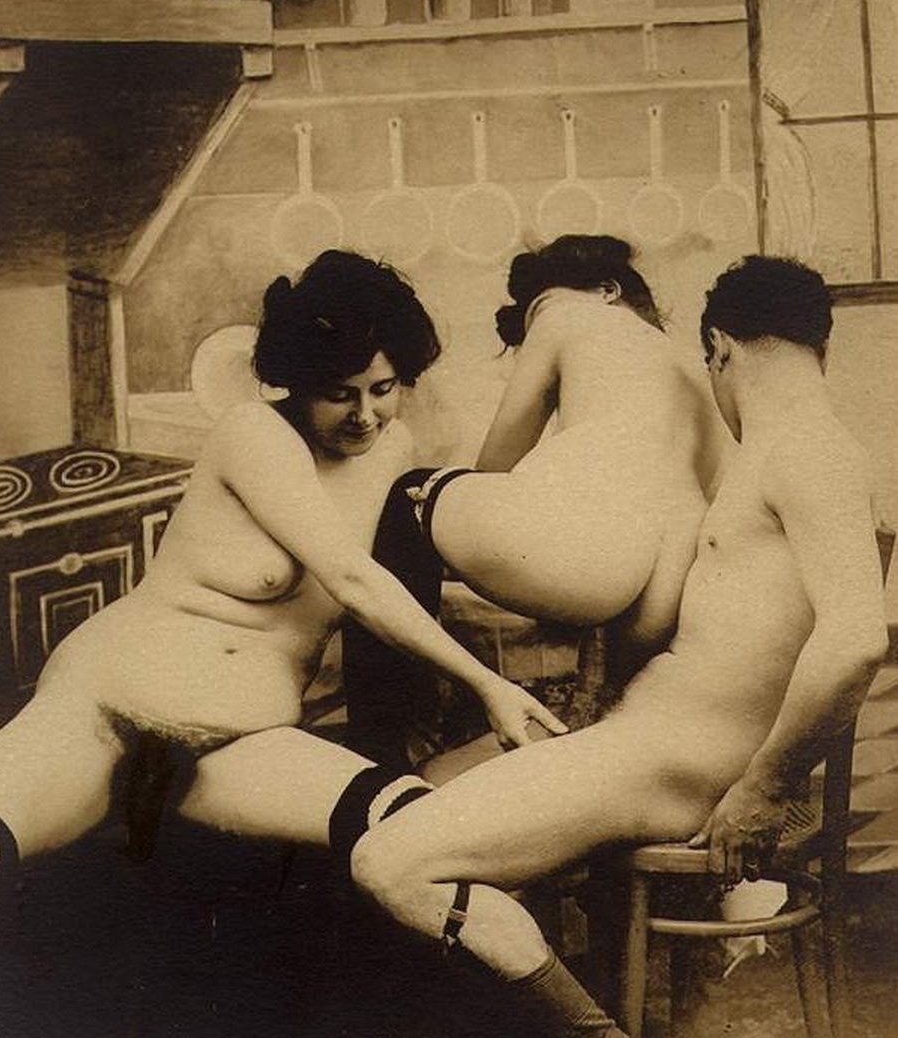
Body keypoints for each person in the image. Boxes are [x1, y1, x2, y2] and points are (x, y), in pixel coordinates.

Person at [0, 250, 569, 1033]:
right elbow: (350, 579)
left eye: (382, 389)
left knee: (423, 842)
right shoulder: (253, 432)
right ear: (294, 382)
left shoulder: (392, 448)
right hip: (103, 708)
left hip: (242, 746)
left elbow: (390, 576)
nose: (364, 414)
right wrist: (490, 684)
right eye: (338, 394)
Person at [344, 256, 889, 1033]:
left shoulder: (809, 451)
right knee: (408, 792)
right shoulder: (765, 459)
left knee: (388, 862)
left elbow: (855, 639)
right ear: (819, 346)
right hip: (647, 745)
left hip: (673, 767)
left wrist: (762, 790)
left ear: (718, 348)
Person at [342, 234, 725, 768]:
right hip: (661, 589)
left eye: (539, 307)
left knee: (410, 500)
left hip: (578, 556)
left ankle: (379, 751)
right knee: (597, 719)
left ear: (607, 290)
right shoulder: (700, 372)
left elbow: (494, 465)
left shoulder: (566, 316)